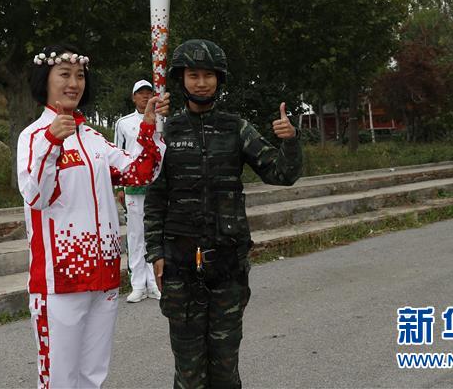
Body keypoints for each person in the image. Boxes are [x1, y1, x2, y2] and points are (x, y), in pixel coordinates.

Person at [145, 39, 302, 389]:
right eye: (193, 75)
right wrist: (154, 252)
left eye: (209, 76)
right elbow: (155, 198)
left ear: (219, 79)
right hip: (180, 266)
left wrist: (289, 141)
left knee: (225, 367)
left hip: (227, 266)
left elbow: (282, 174)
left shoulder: (236, 128)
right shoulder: (166, 132)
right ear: (181, 79)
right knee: (188, 371)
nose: (201, 83)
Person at [17, 43, 170, 389]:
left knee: (92, 377)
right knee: (58, 380)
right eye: (65, 75)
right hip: (60, 282)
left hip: (103, 278)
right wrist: (52, 143)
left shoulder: (94, 139)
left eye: (80, 76)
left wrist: (150, 129)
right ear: (46, 79)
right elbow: (36, 196)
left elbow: (140, 174)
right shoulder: (33, 137)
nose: (74, 83)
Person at [113, 79, 161, 302]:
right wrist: (119, 187)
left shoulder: (162, 120)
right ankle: (137, 284)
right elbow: (117, 155)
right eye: (140, 93)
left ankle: (154, 283)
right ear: (133, 97)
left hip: (156, 183)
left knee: (154, 234)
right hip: (132, 186)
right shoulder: (123, 123)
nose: (144, 96)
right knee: (135, 235)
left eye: (148, 92)